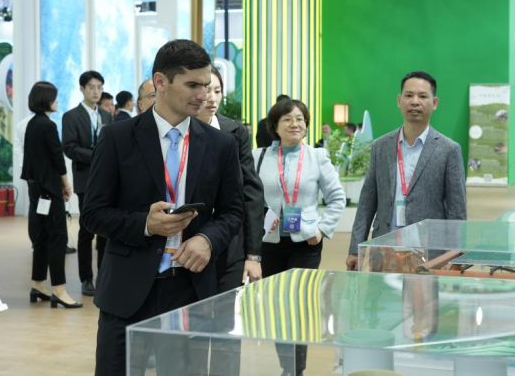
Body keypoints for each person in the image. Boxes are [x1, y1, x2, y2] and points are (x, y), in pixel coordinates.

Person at [81, 39, 245, 376]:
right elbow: (93, 214)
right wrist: (146, 224)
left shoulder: (221, 145)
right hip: (126, 292)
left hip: (189, 291)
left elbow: (233, 212)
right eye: (193, 85)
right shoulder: (117, 139)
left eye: (206, 85)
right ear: (161, 81)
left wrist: (207, 240)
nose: (203, 95)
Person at [253, 99, 346, 376]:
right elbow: (250, 199)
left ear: (306, 125)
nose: (295, 124)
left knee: (298, 304)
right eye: (287, 119)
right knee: (276, 306)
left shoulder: (317, 157)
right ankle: (287, 365)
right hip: (269, 243)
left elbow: (337, 198)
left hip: (306, 242)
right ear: (275, 126)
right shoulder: (259, 157)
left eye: (300, 119)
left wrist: (321, 229)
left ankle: (297, 368)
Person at [346, 71, 467, 272]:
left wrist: (456, 256)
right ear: (399, 100)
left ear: (434, 103)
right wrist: (354, 249)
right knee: (382, 293)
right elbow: (367, 202)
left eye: (422, 96)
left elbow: (457, 211)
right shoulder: (381, 146)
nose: (415, 102)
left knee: (425, 294)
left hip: (429, 253)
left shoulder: (448, 150)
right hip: (384, 249)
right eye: (409, 95)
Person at [196, 66, 265, 375]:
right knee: (195, 330)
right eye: (206, 90)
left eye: (218, 91)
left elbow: (251, 192)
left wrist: (253, 254)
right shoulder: (179, 131)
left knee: (226, 329)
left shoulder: (235, 132)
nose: (212, 98)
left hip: (231, 247)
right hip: (190, 246)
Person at [21, 82, 81, 309]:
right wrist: (66, 184)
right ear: (45, 99)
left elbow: (29, 161)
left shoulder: (32, 124)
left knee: (42, 237)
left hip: (36, 188)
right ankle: (59, 290)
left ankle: (38, 283)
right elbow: (58, 157)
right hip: (49, 187)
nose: (57, 101)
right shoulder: (47, 125)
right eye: (54, 97)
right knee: (58, 237)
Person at [62, 70, 113, 297]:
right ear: (82, 89)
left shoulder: (106, 116)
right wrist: (97, 156)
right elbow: (69, 148)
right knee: (86, 230)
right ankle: (86, 279)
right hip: (85, 180)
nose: (96, 91)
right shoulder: (71, 116)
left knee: (106, 230)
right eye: (92, 87)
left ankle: (104, 276)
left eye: (99, 87)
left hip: (107, 180)